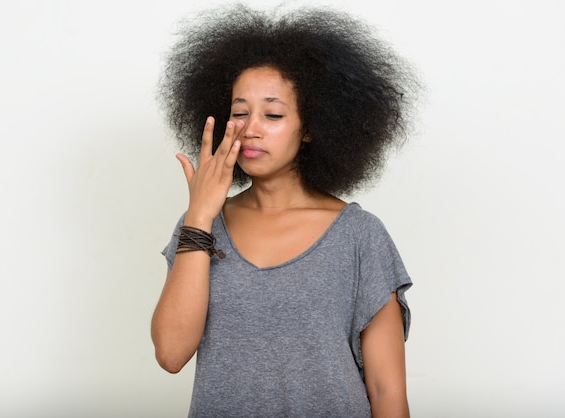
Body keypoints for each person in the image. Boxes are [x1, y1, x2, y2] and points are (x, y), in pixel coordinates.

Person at [151, 4, 420, 417]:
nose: (251, 127)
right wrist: (200, 217)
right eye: (239, 113)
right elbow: (171, 354)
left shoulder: (359, 235)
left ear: (312, 125)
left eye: (273, 114)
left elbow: (387, 392)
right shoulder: (199, 229)